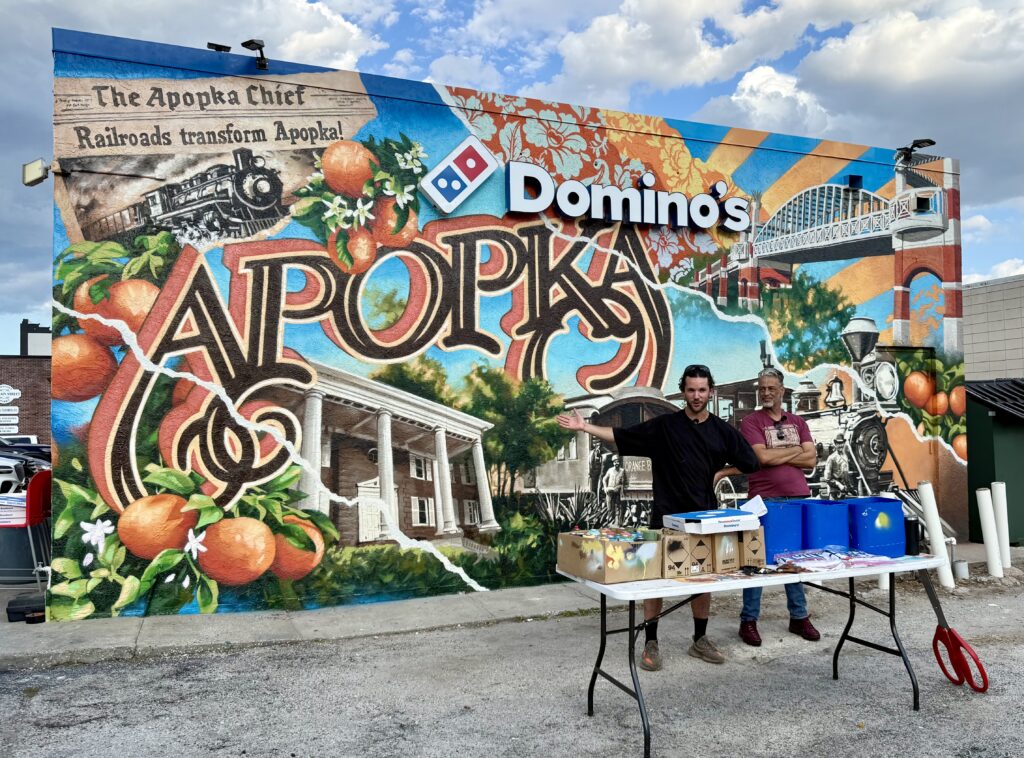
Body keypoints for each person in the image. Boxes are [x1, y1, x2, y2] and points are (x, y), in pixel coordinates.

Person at [557, 364, 759, 670]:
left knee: (700, 581)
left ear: (710, 392)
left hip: (702, 518)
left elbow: (751, 462)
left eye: (702, 390)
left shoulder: (722, 431)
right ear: (684, 392)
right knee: (655, 581)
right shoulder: (665, 426)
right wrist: (584, 427)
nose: (696, 396)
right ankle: (651, 642)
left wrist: (720, 472)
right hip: (664, 518)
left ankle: (699, 640)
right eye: (690, 390)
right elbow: (620, 435)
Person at [716, 367, 821, 647]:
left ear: (781, 391)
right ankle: (748, 620)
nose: (765, 393)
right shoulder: (751, 421)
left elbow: (812, 460)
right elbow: (762, 457)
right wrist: (794, 452)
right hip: (764, 499)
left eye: (771, 388)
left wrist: (780, 456)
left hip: (798, 496)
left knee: (793, 561)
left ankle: (798, 616)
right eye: (761, 388)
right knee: (756, 560)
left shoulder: (797, 421)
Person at [824, 435, 852, 499]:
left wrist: (850, 488)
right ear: (835, 444)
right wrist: (838, 484)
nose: (840, 445)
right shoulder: (831, 458)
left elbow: (846, 474)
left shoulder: (845, 456)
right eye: (838, 443)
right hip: (834, 492)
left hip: (844, 491)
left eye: (841, 443)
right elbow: (827, 478)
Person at [602, 457, 625, 523]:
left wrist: (621, 489)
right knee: (609, 505)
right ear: (613, 463)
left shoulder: (622, 471)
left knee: (617, 505)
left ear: (619, 463)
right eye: (615, 462)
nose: (616, 463)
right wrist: (605, 487)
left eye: (617, 462)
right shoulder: (610, 470)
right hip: (609, 490)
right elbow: (604, 479)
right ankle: (609, 520)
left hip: (617, 491)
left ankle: (617, 521)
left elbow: (623, 482)